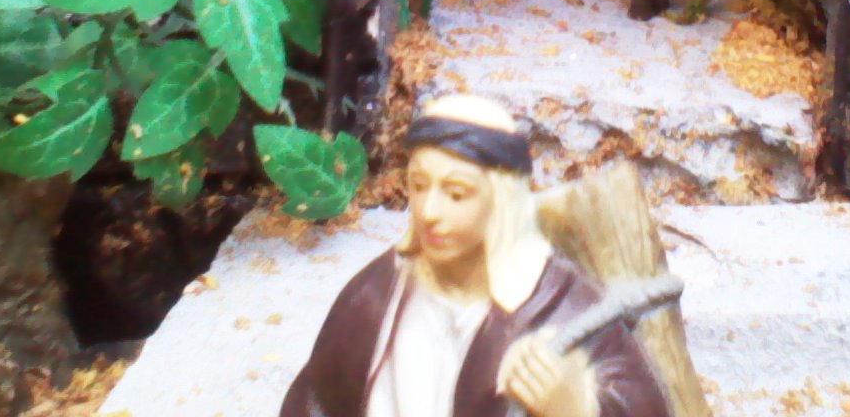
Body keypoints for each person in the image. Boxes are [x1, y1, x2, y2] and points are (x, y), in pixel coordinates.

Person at [279, 95, 672, 417]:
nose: (429, 211)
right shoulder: (375, 296)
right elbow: (315, 402)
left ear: (501, 200)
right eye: (419, 185)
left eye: (456, 194)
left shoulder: (562, 310)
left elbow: (645, 407)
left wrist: (575, 409)